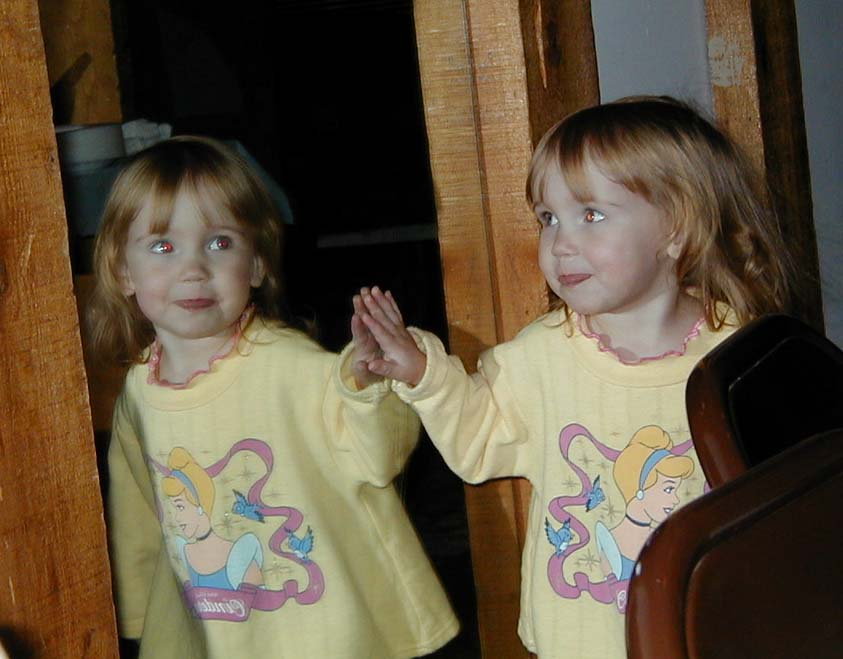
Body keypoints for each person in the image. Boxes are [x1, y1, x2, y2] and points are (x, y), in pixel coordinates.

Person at [353, 96, 799, 658]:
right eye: (548, 218)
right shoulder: (543, 358)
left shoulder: (746, 357)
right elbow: (477, 440)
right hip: (580, 643)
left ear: (677, 228)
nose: (560, 244)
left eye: (590, 215)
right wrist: (422, 373)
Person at [89, 136, 458, 658]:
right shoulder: (138, 390)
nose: (193, 269)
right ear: (123, 270)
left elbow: (377, 457)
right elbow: (137, 508)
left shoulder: (293, 367)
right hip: (208, 624)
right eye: (163, 247)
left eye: (219, 243)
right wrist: (133, 614)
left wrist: (364, 384)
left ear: (258, 264)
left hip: (319, 628)